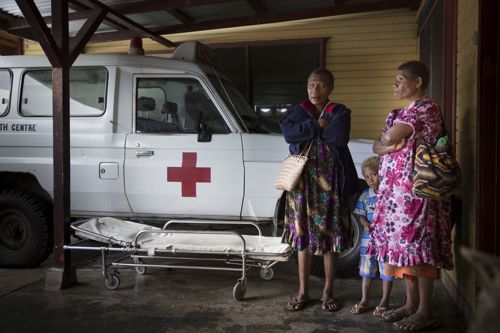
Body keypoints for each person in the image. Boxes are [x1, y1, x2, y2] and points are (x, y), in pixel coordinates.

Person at [367, 60, 453, 331]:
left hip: (417, 192)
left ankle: (426, 311)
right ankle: (410, 304)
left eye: (401, 79)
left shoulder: (426, 107)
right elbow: (378, 144)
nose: (395, 84)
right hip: (397, 195)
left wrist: (388, 141)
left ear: (418, 82)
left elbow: (390, 136)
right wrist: (386, 144)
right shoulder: (403, 112)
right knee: (405, 250)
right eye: (395, 79)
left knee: (419, 246)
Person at [280, 67, 358, 312]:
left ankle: (327, 292)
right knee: (302, 238)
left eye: (321, 85)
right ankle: (303, 291)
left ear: (330, 89)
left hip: (331, 184)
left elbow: (338, 137)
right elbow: (289, 134)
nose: (315, 90)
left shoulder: (340, 111)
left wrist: (309, 131)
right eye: (311, 85)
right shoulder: (297, 111)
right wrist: (316, 125)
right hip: (302, 185)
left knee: (330, 238)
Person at [350, 156, 394, 317]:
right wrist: (365, 224)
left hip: (386, 241)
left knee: (386, 270)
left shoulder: (389, 193)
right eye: (367, 177)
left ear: (382, 173)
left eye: (374, 175)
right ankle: (364, 300)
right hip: (368, 241)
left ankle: (385, 301)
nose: (370, 180)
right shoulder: (365, 195)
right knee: (366, 270)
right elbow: (360, 214)